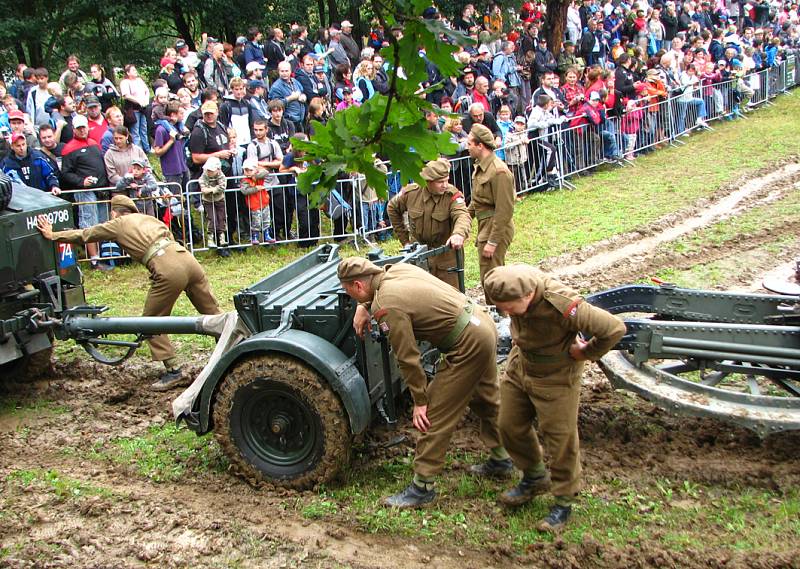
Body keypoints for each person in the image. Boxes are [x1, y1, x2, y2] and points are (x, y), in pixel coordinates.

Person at [337, 256, 509, 508]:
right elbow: (377, 294)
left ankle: (422, 487)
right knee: (485, 399)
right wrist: (364, 306)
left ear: (359, 286)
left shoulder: (387, 305)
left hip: (467, 344)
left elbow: (408, 357)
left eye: (349, 291)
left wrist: (420, 399)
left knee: (434, 413)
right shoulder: (397, 270)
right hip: (481, 324)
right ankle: (502, 457)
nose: (351, 297)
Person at [483, 265, 625, 531]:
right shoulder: (513, 286)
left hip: (556, 374)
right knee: (508, 424)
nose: (506, 313)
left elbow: (614, 328)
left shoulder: (561, 303)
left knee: (559, 438)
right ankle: (534, 476)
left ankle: (563, 500)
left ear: (527, 295)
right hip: (521, 365)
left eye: (509, 307)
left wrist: (587, 353)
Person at [37, 194, 222, 390]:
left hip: (167, 268)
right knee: (214, 313)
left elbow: (86, 234)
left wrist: (53, 235)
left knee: (151, 321)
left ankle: (174, 371)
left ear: (114, 212)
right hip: (187, 259)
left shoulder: (119, 223)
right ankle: (235, 347)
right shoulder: (149, 219)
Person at [386, 158, 470, 289]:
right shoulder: (411, 193)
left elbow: (462, 215)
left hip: (445, 257)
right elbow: (392, 207)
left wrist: (458, 234)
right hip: (419, 256)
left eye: (446, 180)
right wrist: (405, 241)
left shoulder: (451, 195)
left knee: (451, 297)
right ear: (428, 182)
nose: (445, 185)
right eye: (440, 182)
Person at [466, 124, 515, 306]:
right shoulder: (481, 168)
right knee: (488, 276)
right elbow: (477, 201)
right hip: (486, 226)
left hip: (495, 229)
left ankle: (501, 318)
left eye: (470, 143)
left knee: (493, 279)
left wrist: (493, 241)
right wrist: (464, 218)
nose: (467, 146)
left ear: (480, 145)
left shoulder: (499, 171)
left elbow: (505, 210)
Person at [60, 114, 110, 269]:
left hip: (102, 189)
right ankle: (94, 259)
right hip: (85, 191)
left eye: (84, 127)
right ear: (74, 130)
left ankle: (105, 255)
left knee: (103, 224)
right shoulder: (69, 148)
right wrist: (81, 181)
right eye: (79, 128)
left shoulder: (94, 143)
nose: (82, 131)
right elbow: (66, 173)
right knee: (89, 225)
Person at [240, 157, 275, 244]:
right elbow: (244, 191)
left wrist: (256, 173)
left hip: (264, 201)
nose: (247, 172)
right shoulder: (245, 180)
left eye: (250, 170)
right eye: (246, 170)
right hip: (254, 204)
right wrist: (256, 188)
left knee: (266, 219)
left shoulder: (259, 176)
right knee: (256, 221)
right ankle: (254, 236)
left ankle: (267, 235)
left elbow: (266, 172)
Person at [199, 156, 228, 253]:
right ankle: (210, 239)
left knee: (221, 217)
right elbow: (203, 186)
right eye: (208, 170)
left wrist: (211, 190)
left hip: (219, 199)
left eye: (211, 170)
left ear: (218, 169)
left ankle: (222, 237)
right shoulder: (204, 175)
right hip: (208, 201)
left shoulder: (221, 175)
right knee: (211, 218)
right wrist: (208, 190)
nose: (209, 172)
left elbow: (222, 186)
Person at [119, 65, 151, 152]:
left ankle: (147, 148)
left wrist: (146, 100)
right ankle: (138, 149)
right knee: (135, 130)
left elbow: (147, 91)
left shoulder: (139, 81)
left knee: (143, 128)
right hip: (133, 109)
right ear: (128, 73)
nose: (135, 71)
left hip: (143, 109)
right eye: (133, 70)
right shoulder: (125, 82)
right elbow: (126, 95)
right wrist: (138, 101)